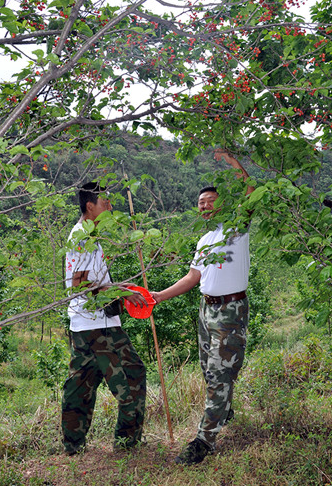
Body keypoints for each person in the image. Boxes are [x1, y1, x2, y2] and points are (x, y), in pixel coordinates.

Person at [151, 151, 254, 465]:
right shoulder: (205, 240)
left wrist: (232, 161)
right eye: (201, 202)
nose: (204, 205)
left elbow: (251, 192)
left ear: (222, 204)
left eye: (210, 200)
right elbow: (192, 277)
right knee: (210, 370)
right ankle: (224, 410)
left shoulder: (236, 228)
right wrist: (158, 296)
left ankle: (203, 441)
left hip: (230, 310)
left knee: (220, 374)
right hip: (206, 310)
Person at [62, 181, 147, 455]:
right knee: (132, 375)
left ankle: (73, 445)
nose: (110, 205)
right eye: (104, 201)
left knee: (81, 384)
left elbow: (91, 281)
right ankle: (126, 444)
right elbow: (79, 284)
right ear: (90, 206)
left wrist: (120, 289)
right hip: (99, 325)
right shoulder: (82, 236)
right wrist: (122, 292)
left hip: (82, 323)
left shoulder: (89, 235)